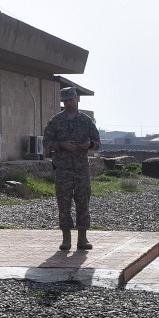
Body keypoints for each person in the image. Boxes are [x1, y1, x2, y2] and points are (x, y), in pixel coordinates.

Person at [43, 87, 100, 250]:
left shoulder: (86, 121)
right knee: (64, 203)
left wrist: (88, 145)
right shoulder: (56, 121)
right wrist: (61, 145)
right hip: (63, 169)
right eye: (65, 100)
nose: (68, 103)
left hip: (81, 169)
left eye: (71, 99)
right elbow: (46, 142)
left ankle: (82, 238)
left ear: (77, 99)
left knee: (83, 202)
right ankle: (66, 239)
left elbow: (97, 142)